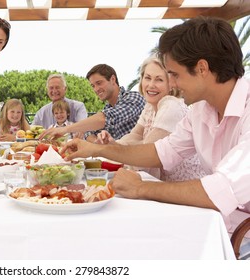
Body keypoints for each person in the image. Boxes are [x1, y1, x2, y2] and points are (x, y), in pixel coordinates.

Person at [61, 17, 250, 258]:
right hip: (219, 223)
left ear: (202, 68)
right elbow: (161, 151)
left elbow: (219, 191)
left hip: (241, 239)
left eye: (174, 74)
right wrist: (96, 149)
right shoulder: (202, 110)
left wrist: (141, 188)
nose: (171, 83)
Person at [97, 55, 205, 181]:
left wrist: (106, 150)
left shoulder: (171, 106)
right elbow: (135, 135)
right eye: (147, 78)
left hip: (185, 191)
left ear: (171, 84)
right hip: (163, 186)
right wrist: (113, 144)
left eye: (159, 80)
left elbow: (146, 152)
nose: (151, 85)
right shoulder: (150, 106)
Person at [40, 64, 146, 143]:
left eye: (99, 83)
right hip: (118, 160)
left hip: (140, 165)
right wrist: (98, 144)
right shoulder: (108, 107)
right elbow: (88, 132)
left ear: (112, 79)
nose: (96, 89)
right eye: (93, 86)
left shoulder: (133, 97)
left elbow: (104, 119)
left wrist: (65, 129)